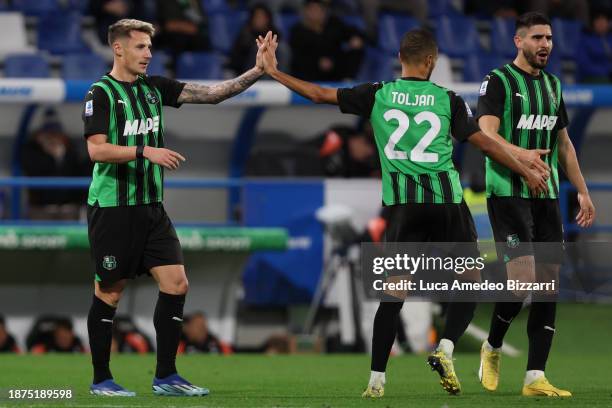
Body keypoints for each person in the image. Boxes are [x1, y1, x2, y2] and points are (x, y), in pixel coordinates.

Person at [258, 28, 549, 398]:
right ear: (431, 61)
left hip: (402, 207)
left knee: (393, 295)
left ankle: (376, 381)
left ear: (400, 57)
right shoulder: (448, 99)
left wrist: (274, 71)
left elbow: (317, 94)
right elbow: (484, 145)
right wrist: (524, 166)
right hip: (446, 204)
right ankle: (445, 348)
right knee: (470, 280)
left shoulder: (377, 93)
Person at [83, 19, 271, 397]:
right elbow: (96, 149)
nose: (148, 54)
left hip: (152, 209)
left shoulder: (155, 89)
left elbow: (215, 94)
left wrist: (257, 71)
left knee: (177, 283)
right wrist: (144, 150)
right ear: (118, 49)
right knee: (110, 291)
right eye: (140, 47)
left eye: (150, 47)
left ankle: (166, 376)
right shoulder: (100, 93)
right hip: (113, 209)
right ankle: (101, 379)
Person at [476, 12, 595, 397]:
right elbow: (486, 134)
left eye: (549, 38)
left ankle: (535, 377)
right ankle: (492, 346)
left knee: (548, 286)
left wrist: (582, 189)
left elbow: (563, 145)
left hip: (546, 196)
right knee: (522, 280)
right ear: (518, 41)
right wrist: (523, 159)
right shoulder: (498, 82)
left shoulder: (554, 85)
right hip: (508, 192)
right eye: (538, 38)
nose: (545, 44)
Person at [21, 109, 90, 220]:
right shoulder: (32, 150)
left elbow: (78, 171)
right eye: (48, 134)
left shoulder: (70, 150)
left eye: (56, 133)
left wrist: (61, 155)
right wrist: (49, 155)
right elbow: (33, 170)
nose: (52, 138)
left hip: (67, 208)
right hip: (41, 208)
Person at [289, 0, 365, 81]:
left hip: (335, 65)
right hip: (311, 69)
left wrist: (355, 38)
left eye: (318, 10)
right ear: (305, 12)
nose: (315, 13)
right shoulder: (298, 31)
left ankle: (348, 80)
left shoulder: (333, 24)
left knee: (356, 47)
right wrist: (318, 62)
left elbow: (352, 32)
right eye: (312, 10)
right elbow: (298, 56)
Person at [229, 4, 283, 76]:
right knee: (260, 49)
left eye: (263, 17)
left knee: (282, 48)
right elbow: (236, 61)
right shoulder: (244, 35)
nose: (260, 20)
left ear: (268, 19)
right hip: (248, 73)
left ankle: (281, 78)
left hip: (272, 74)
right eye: (257, 17)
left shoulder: (274, 33)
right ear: (252, 19)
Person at [576, 10, 612, 83]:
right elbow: (584, 65)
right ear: (593, 23)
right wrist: (606, 70)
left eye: (603, 20)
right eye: (598, 20)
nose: (601, 23)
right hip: (592, 78)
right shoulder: (585, 40)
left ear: (608, 23)